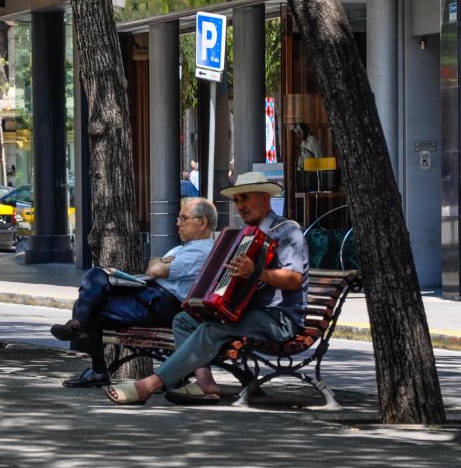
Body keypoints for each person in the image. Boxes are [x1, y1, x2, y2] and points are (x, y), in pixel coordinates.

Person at [104, 171, 308, 405]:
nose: (240, 205)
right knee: (184, 319)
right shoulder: (244, 234)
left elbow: (294, 279)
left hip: (279, 318)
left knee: (211, 329)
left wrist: (256, 273)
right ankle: (205, 383)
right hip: (249, 312)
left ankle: (148, 386)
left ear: (264, 197)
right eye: (237, 200)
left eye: (246, 198)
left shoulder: (286, 230)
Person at [50, 197, 217, 388]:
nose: (177, 223)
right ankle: (81, 329)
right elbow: (153, 267)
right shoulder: (183, 249)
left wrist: (161, 263)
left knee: (92, 300)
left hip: (162, 304)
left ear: (202, 223)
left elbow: (155, 269)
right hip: (151, 297)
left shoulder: (201, 252)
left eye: (183, 218)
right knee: (95, 280)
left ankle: (85, 342)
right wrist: (161, 263)